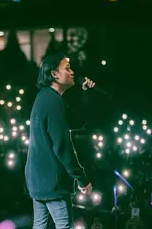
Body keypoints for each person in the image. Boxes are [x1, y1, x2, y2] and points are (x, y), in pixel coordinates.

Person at [25, 52, 94, 229]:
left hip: (38, 178)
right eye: (67, 68)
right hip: (52, 181)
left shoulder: (44, 98)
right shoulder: (53, 102)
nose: (72, 73)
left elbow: (76, 121)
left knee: (40, 225)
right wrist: (81, 178)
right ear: (55, 74)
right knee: (64, 226)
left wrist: (86, 94)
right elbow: (62, 146)